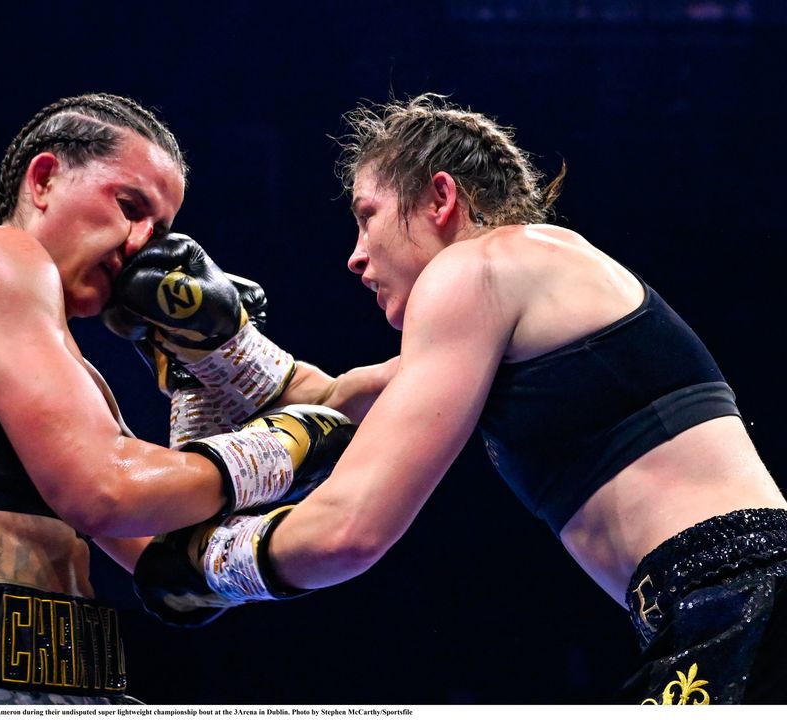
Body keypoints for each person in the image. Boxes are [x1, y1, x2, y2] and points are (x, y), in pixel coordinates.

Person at [105, 94, 787, 704]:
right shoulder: (522, 286)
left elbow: (349, 530)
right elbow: (329, 400)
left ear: (440, 198)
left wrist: (208, 566)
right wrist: (217, 341)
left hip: (735, 593)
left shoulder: (474, 268)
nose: (354, 255)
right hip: (718, 596)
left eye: (367, 217)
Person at [0, 93, 357, 705]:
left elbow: (170, 561)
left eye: (160, 230)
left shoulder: (68, 377)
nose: (141, 242)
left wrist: (201, 379)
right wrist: (283, 448)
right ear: (45, 177)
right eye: (129, 206)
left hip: (68, 682)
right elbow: (106, 491)